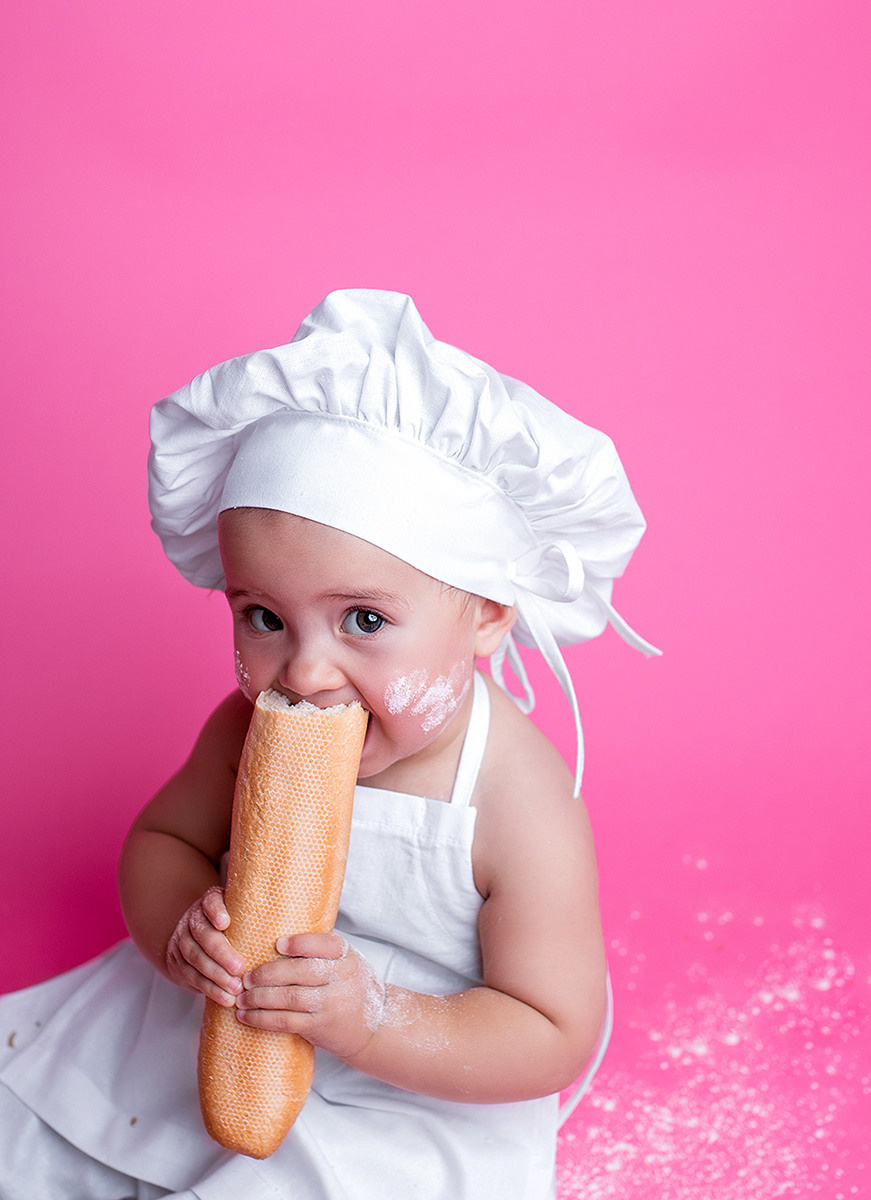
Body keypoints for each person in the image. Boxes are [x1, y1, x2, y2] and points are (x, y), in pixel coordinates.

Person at [0, 290, 656, 1199]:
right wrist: (178, 930)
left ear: (487, 614)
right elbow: (163, 845)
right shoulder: (242, 727)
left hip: (418, 1072)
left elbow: (549, 1030)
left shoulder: (515, 801)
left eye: (363, 619)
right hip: (221, 1015)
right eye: (263, 616)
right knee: (40, 1131)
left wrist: (371, 1022)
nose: (304, 672)